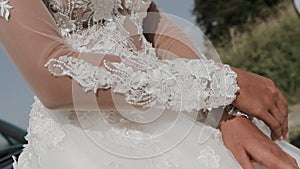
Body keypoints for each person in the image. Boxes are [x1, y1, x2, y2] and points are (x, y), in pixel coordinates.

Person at [0, 0, 299, 168]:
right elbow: (52, 70)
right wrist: (224, 83)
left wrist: (223, 113)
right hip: (91, 140)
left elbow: (152, 22)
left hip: (176, 107)